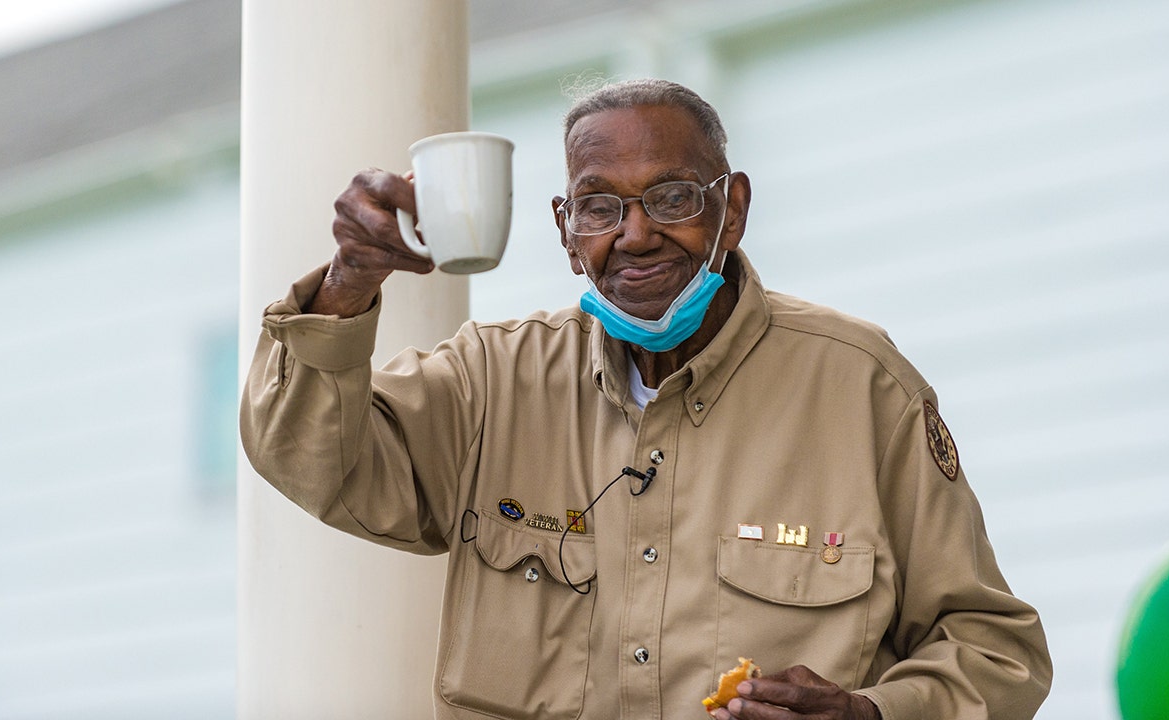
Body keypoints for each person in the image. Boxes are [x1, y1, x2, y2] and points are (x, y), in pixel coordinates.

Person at [240, 78, 1052, 719]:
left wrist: (872, 714)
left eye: (671, 199)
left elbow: (996, 651)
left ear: (730, 210)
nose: (633, 235)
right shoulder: (492, 380)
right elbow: (311, 461)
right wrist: (349, 283)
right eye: (599, 206)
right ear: (565, 229)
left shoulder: (862, 385)